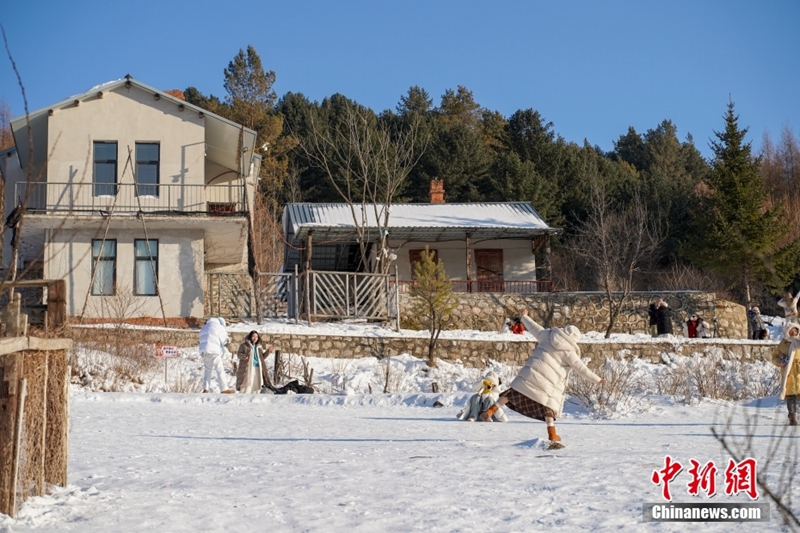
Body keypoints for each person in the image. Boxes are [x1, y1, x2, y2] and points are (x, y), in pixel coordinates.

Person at [482, 310, 605, 445]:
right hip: (547, 384)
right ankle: (552, 433)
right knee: (548, 407)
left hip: (530, 374)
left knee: (513, 393)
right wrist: (597, 379)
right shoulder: (569, 353)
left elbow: (534, 327)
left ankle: (490, 411)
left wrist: (524, 317)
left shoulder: (547, 336)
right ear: (575, 339)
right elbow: (582, 369)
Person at [772, 323, 800, 426]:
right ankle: (792, 416)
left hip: (799, 372)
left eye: (795, 330)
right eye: (791, 330)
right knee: (791, 396)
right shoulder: (783, 343)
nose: (794, 332)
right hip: (788, 373)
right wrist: (779, 361)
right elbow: (774, 356)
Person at [198, 317, 235, 394]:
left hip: (205, 351)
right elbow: (224, 339)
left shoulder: (204, 327)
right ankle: (224, 388)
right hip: (214, 351)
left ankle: (206, 388)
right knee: (220, 370)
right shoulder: (218, 326)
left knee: (208, 370)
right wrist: (228, 339)